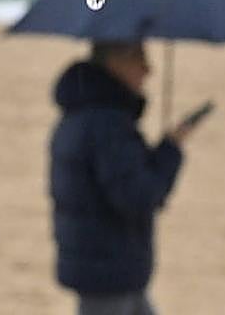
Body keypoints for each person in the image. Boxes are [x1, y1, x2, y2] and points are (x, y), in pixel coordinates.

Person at [49, 40, 197, 315]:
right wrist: (170, 152)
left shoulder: (84, 115)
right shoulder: (106, 124)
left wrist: (165, 149)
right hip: (107, 270)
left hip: (106, 266)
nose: (148, 69)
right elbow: (139, 196)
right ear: (114, 63)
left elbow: (122, 183)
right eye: (137, 58)